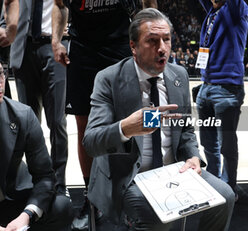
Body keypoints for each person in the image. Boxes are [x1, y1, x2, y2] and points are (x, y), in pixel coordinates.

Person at [83, 8, 235, 231]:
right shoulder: (108, 79)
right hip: (131, 178)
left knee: (226, 197)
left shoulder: (179, 76)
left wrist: (193, 157)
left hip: (172, 172)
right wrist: (125, 128)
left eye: (166, 39)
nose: (162, 48)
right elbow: (91, 142)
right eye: (152, 41)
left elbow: (186, 131)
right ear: (133, 46)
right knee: (160, 217)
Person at [52, 0, 157, 228]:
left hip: (119, 46)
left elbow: (147, 4)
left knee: (129, 123)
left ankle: (129, 195)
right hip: (82, 50)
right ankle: (91, 199)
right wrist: (56, 40)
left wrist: (149, 40)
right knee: (84, 125)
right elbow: (60, 5)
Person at [0, 63, 73, 231]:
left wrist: (26, 215)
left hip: (11, 197)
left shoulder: (22, 115)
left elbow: (45, 177)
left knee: (61, 207)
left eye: (1, 75)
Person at [7, 0, 69, 194]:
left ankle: (59, 185)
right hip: (23, 48)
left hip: (54, 46)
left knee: (57, 121)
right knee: (28, 122)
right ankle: (37, 182)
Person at [195, 0, 248, 199]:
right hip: (205, 86)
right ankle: (213, 183)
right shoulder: (212, 11)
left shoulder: (237, 8)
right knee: (208, 144)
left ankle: (228, 189)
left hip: (227, 88)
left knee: (226, 145)